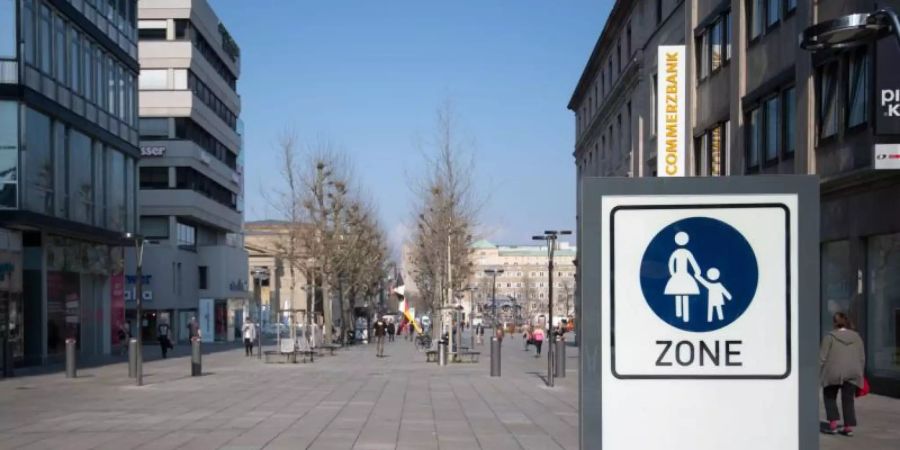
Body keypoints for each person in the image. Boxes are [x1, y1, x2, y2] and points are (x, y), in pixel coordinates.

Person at [820, 312, 865, 436]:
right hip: (852, 372)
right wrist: (860, 373)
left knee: (829, 396)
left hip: (833, 372)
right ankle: (848, 427)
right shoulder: (857, 337)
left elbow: (822, 358)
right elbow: (861, 357)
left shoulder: (829, 337)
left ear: (835, 322)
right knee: (848, 400)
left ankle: (833, 426)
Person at [665, 231, 702, 323]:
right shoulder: (679, 252)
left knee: (684, 294)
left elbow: (692, 262)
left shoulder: (684, 252)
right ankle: (679, 315)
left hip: (682, 276)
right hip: (679, 276)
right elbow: (671, 263)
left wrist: (673, 273)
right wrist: (672, 273)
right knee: (679, 294)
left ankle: (684, 316)